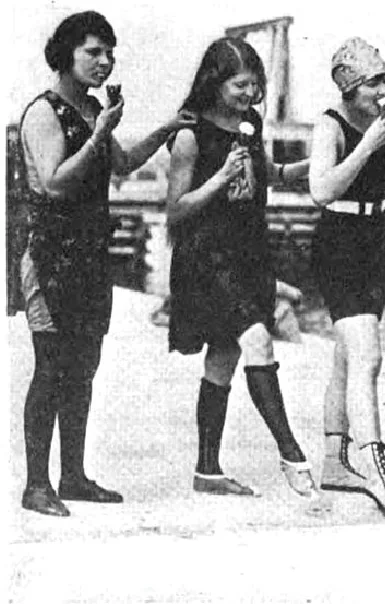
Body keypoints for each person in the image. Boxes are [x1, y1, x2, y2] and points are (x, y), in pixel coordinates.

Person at [15, 10, 196, 517]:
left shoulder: (92, 108)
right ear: (66, 53)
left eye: (108, 52)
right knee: (51, 366)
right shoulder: (43, 113)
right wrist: (98, 135)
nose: (104, 60)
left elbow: (120, 164)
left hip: (89, 256)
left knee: (84, 367)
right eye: (93, 51)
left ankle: (72, 476)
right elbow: (53, 181)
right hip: (51, 255)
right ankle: (36, 484)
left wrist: (165, 128)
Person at [162, 36, 316, 502]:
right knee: (256, 339)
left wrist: (325, 162)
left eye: (255, 85)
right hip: (207, 257)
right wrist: (220, 179)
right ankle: (293, 454)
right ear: (215, 82)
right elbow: (176, 211)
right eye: (239, 85)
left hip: (248, 252)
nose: (249, 95)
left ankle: (207, 469)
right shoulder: (191, 134)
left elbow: (271, 174)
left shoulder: (248, 124)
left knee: (224, 356)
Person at [306, 37, 385, 520]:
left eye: (384, 79)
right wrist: (370, 144)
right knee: (368, 356)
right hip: (339, 240)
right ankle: (375, 464)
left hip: (375, 239)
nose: (383, 89)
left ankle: (335, 461)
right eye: (375, 81)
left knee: (346, 358)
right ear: (351, 86)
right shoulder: (331, 125)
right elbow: (320, 190)